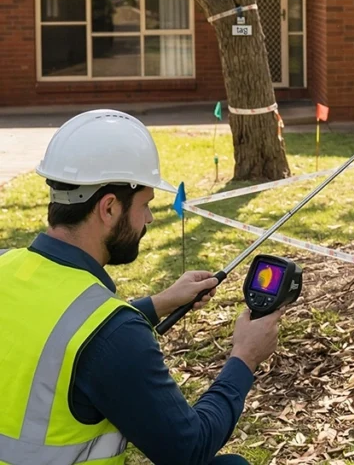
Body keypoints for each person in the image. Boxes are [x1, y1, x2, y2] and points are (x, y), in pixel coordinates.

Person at [0, 109, 284, 465]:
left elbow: (55, 329)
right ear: (108, 208)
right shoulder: (113, 335)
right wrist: (245, 356)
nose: (148, 218)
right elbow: (188, 448)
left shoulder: (5, 265)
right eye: (145, 204)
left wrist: (159, 303)